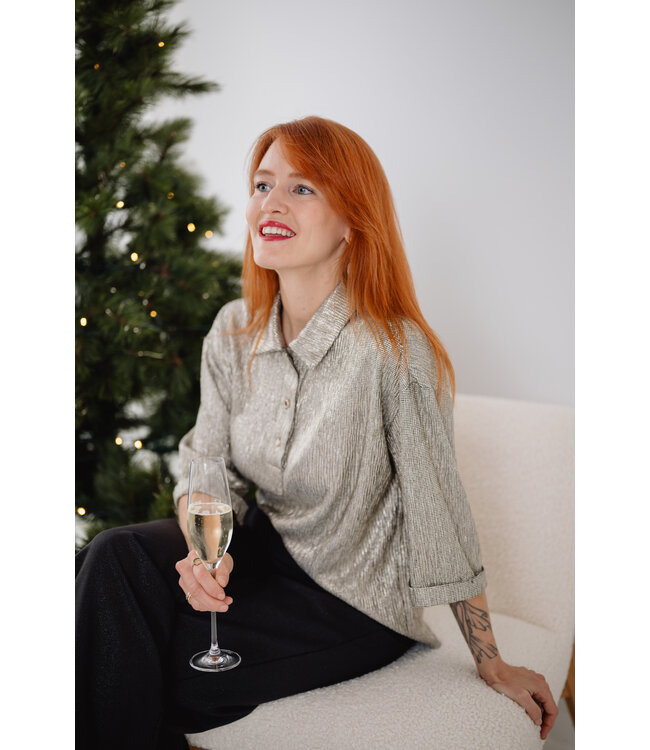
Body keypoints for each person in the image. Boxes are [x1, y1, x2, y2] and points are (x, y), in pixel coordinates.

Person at [76, 115, 558, 749]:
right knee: (106, 558)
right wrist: (201, 552)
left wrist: (491, 659)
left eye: (301, 188)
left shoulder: (395, 351)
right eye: (262, 185)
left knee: (160, 660)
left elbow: (438, 512)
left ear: (352, 221)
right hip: (256, 552)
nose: (270, 204)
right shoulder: (233, 330)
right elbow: (207, 464)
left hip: (349, 600)